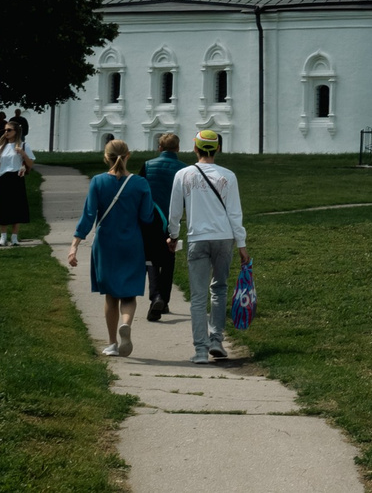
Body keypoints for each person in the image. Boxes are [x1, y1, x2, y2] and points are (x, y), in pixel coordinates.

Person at [67, 138, 161, 357]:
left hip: (106, 244)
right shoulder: (140, 183)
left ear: (105, 157)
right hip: (132, 243)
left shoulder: (98, 182)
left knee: (110, 296)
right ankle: (126, 324)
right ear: (128, 156)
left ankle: (111, 343)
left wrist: (74, 245)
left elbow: (88, 215)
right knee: (129, 294)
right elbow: (147, 217)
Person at [165, 130, 248, 365]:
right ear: (218, 149)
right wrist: (241, 244)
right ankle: (216, 341)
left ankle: (200, 350)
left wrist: (173, 236)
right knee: (219, 289)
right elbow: (235, 213)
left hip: (198, 239)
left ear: (195, 149)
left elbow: (175, 211)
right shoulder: (228, 176)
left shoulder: (183, 174)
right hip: (224, 238)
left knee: (199, 296)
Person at [141, 133, 184, 320]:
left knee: (151, 259)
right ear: (178, 148)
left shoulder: (148, 165)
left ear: (159, 148)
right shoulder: (184, 169)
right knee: (168, 258)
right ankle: (164, 300)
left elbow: (140, 190)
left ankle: (156, 296)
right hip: (172, 218)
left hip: (151, 218)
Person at [0, 118, 34, 246]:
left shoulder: (23, 146)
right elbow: (0, 166)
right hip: (4, 178)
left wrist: (23, 154)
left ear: (16, 131)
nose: (6, 132)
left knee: (17, 207)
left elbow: (30, 164)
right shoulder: (1, 147)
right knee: (3, 207)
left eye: (9, 130)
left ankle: (14, 237)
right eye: (5, 130)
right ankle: (3, 237)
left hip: (16, 177)